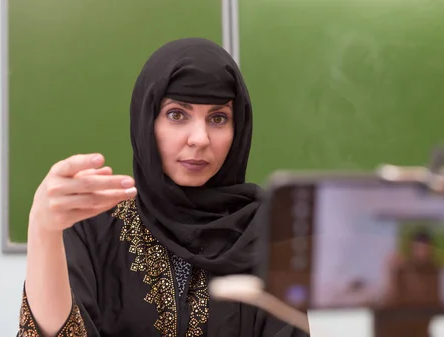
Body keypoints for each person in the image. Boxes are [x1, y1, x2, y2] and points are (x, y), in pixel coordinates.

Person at [16, 37, 310, 337]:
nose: (200, 138)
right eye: (177, 115)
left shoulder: (268, 235)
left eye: (218, 118)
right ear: (146, 120)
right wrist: (42, 228)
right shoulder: (94, 225)